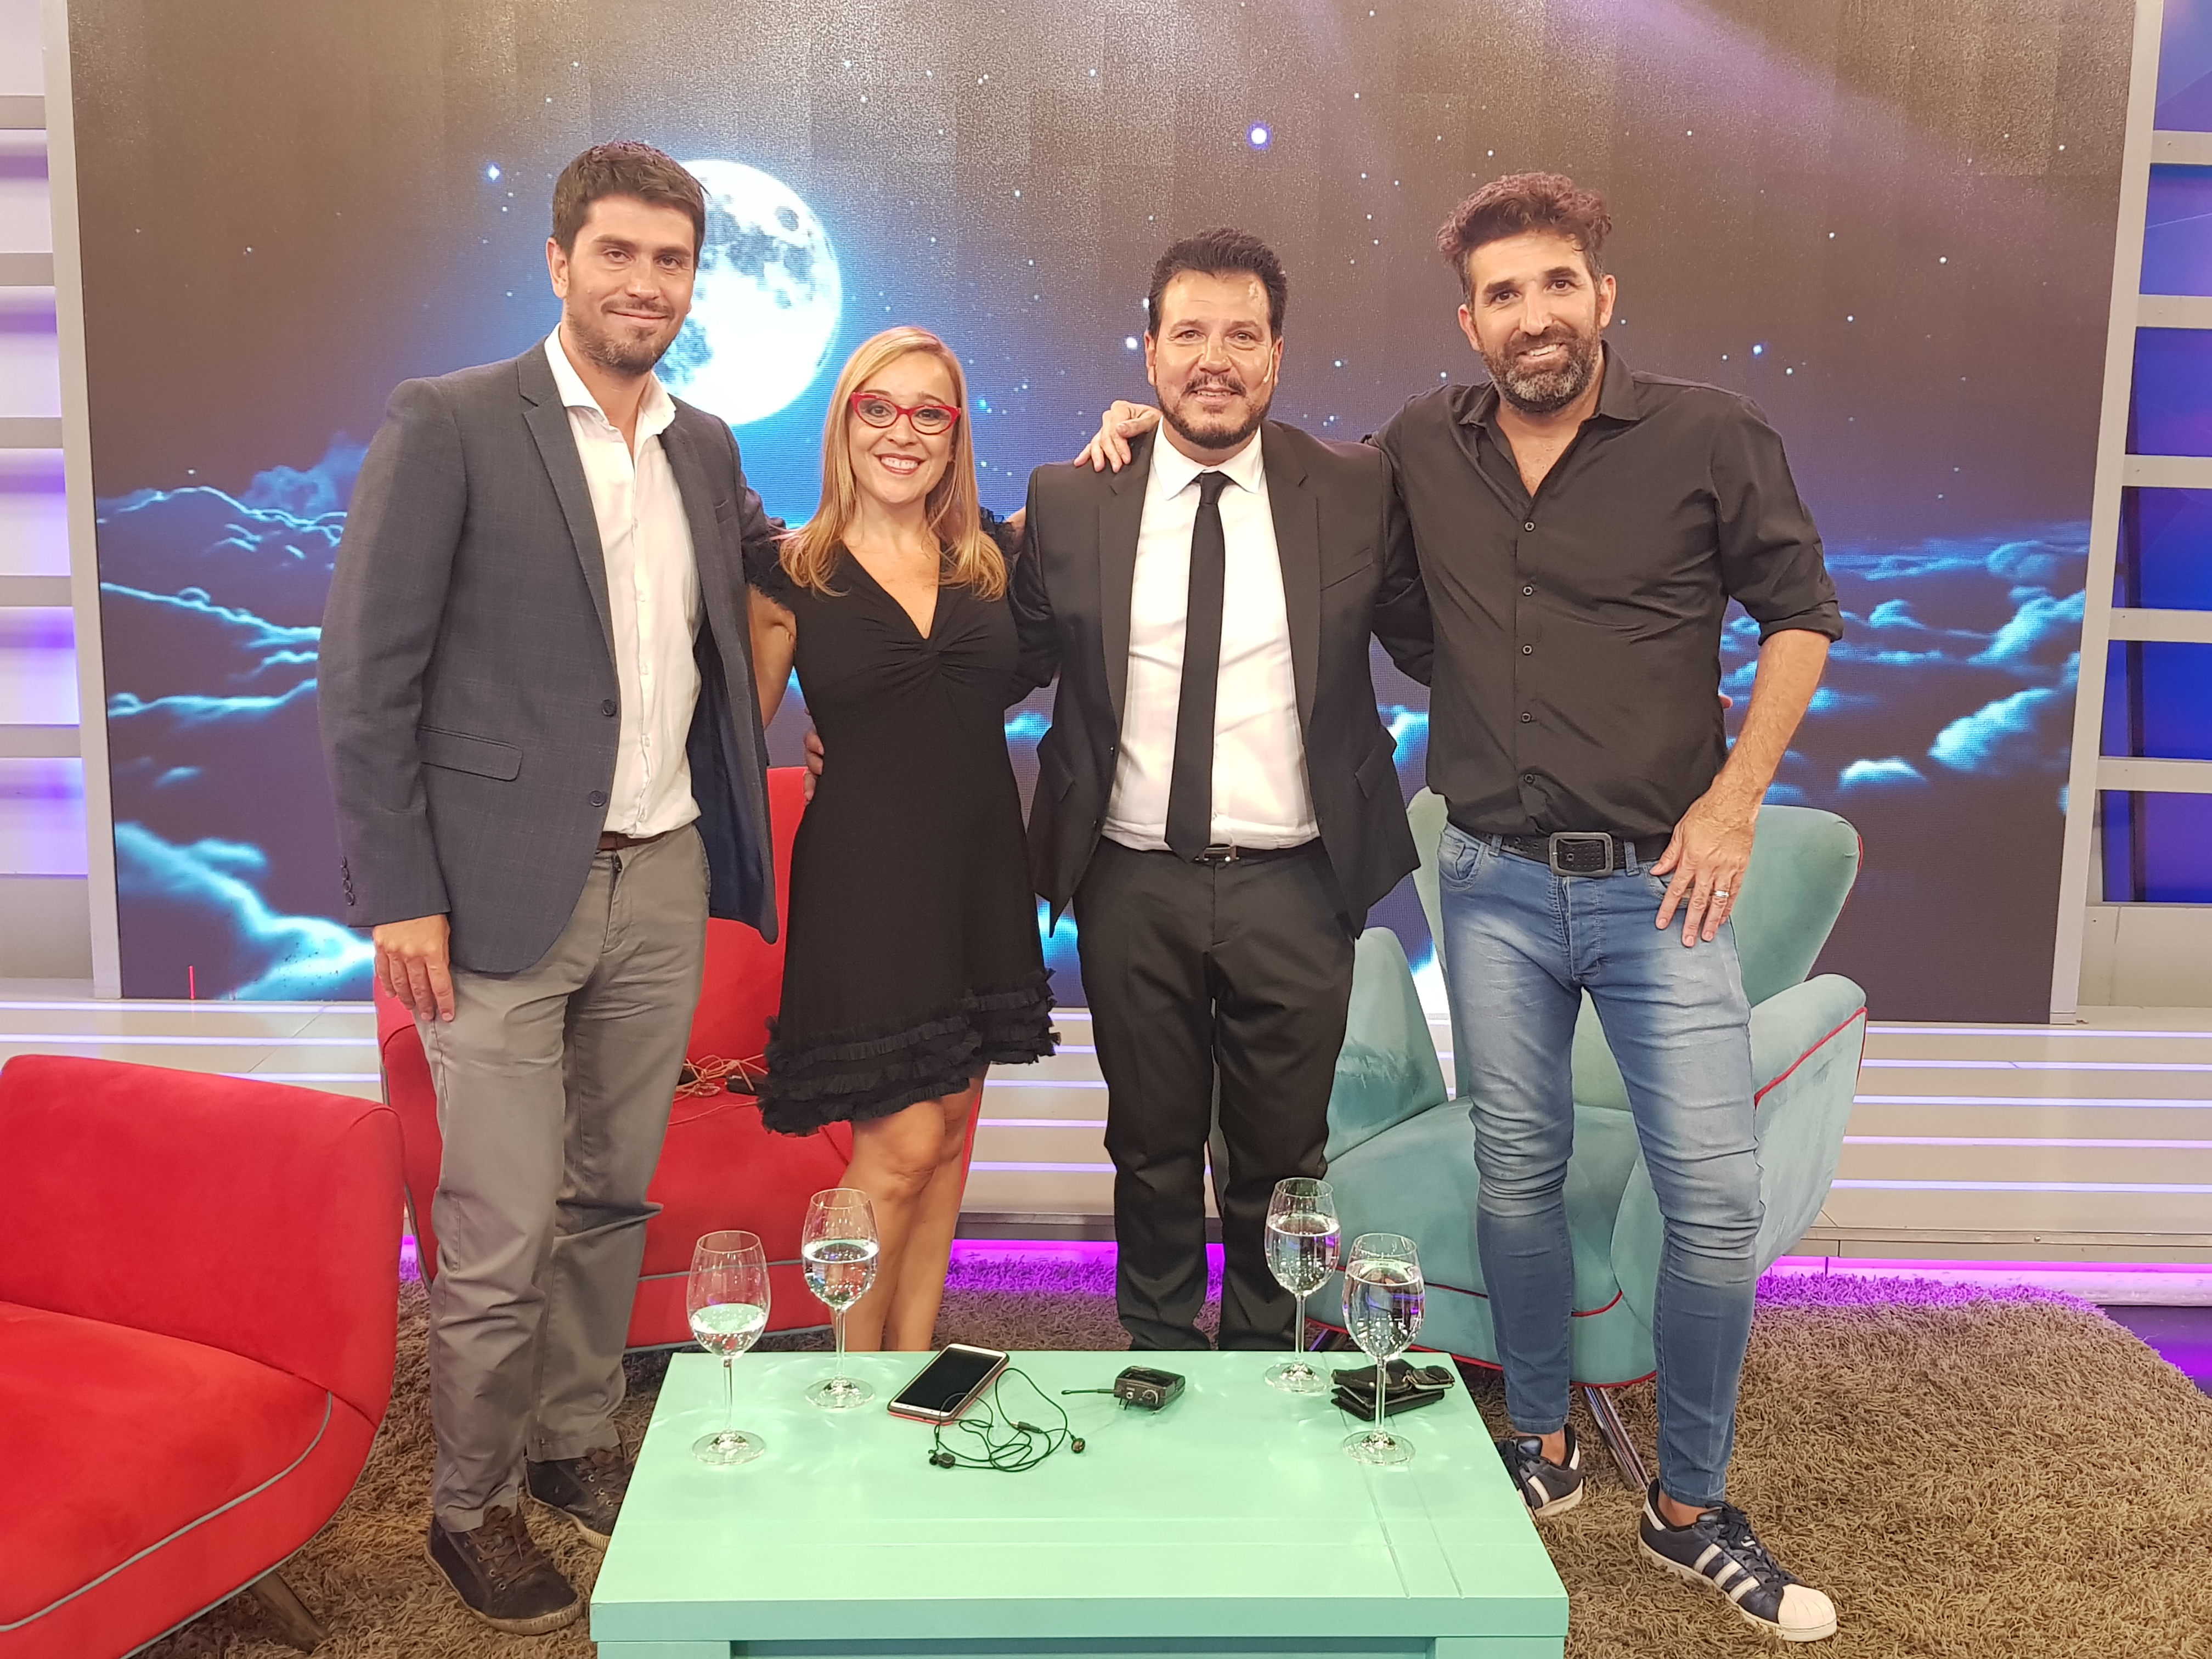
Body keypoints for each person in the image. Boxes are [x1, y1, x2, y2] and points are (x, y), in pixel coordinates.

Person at [319, 142, 781, 1636]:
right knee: (501, 1223)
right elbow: (367, 679)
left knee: (609, 1196)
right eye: (619, 253)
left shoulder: (705, 447)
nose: (647, 283)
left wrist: (1010, 512)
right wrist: (400, 890)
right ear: (560, 261)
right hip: (492, 897)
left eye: (673, 260)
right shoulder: (452, 421)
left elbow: (810, 560)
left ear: (696, 281)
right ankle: (470, 1505)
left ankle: (574, 1441)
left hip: (663, 878)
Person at [1375, 173, 1843, 1642]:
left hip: (1664, 889)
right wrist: (1136, 434)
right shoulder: (1423, 444)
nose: (1535, 315)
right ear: (1471, 322)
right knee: (1516, 1172)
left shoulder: (1709, 433)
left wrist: (1736, 798)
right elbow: (1344, 554)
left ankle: (1689, 1509)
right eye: (1503, 294)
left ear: (1603, 297)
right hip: (1491, 886)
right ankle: (1540, 1439)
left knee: (1714, 1201)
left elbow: (1803, 615)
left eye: (1557, 283)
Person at [1013, 229, 1431, 1352]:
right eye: (1189, 334)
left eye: (1241, 336)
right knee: (1148, 1146)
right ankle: (1158, 1343)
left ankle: (1260, 1358)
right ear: (1149, 354)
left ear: (1277, 356)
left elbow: (1436, 637)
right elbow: (1003, 658)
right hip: (1130, 879)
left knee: (1281, 1158)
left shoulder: (1353, 486)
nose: (1214, 359)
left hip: (1297, 881)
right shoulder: (1072, 498)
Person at [746, 326, 1055, 1353]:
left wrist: (1125, 428)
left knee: (953, 1135)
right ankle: (845, 1393)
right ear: (843, 421)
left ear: (955, 435)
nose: (902, 432)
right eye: (877, 407)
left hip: (979, 875)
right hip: (865, 888)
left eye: (930, 413)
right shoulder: (788, 571)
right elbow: (730, 742)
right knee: (904, 1142)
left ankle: (911, 1369)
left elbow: (1100, 501)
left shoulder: (990, 559)